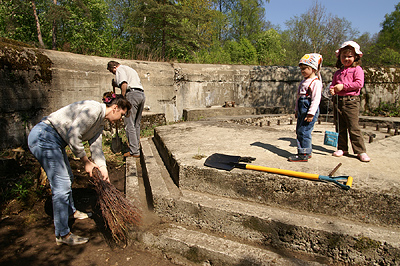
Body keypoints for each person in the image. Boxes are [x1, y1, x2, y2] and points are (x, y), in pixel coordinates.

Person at [28, 93, 132, 246]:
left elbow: (96, 149)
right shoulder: (94, 109)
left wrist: (103, 168)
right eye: (122, 115)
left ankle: (70, 211)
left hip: (55, 141)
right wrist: (85, 161)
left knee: (68, 178)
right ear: (115, 108)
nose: (120, 119)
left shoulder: (100, 123)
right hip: (44, 137)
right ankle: (62, 234)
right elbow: (73, 135)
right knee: (62, 185)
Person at [329, 41, 370, 162]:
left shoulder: (357, 69)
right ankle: (342, 148)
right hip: (338, 101)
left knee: (353, 127)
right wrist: (333, 90)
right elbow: (333, 85)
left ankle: (360, 151)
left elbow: (358, 84)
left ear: (356, 56)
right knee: (340, 126)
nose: (346, 58)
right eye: (344, 56)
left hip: (351, 101)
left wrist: (343, 86)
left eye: (349, 56)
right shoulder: (338, 72)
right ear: (340, 57)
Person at [107, 61, 145, 158]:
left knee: (129, 123)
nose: (114, 74)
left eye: (113, 72)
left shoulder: (119, 70)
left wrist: (123, 97)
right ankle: (136, 147)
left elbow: (124, 83)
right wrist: (116, 84)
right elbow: (128, 81)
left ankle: (134, 151)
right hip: (140, 94)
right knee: (136, 123)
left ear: (114, 67)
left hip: (132, 95)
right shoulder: (129, 69)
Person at [289, 53, 323, 162]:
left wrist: (311, 113)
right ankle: (306, 151)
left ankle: (303, 154)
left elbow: (316, 99)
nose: (302, 71)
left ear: (313, 69)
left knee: (304, 132)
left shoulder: (315, 82)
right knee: (299, 131)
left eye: (305, 68)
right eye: (301, 69)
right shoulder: (303, 82)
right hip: (302, 109)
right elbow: (298, 98)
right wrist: (296, 110)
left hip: (309, 110)